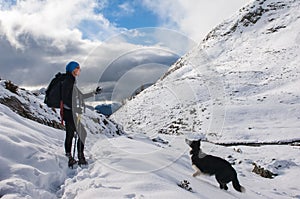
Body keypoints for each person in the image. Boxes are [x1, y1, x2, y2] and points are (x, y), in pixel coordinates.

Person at [62, 61, 101, 166]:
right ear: (72, 69)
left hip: (68, 112)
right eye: (77, 68)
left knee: (70, 134)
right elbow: (65, 98)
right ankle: (80, 157)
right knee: (82, 133)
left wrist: (94, 93)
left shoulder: (70, 81)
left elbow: (80, 96)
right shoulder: (68, 81)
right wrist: (74, 108)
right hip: (69, 113)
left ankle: (69, 155)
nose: (79, 71)